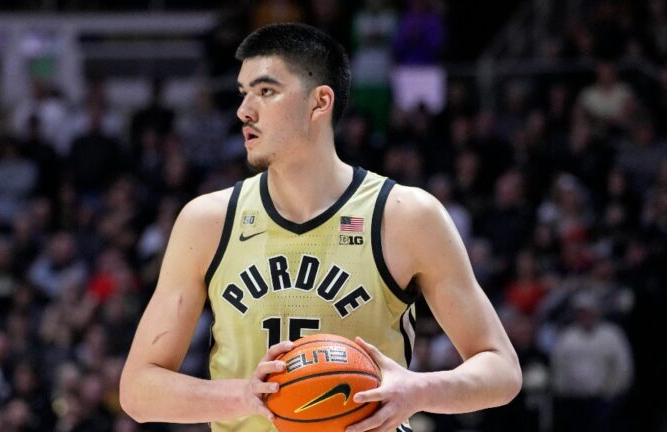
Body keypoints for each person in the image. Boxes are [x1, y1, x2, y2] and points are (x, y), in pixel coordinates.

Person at [119, 23, 521, 432]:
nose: (244, 110)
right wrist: (246, 397)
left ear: (319, 102)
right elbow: (138, 390)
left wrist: (418, 390)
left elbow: (501, 369)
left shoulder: (405, 216)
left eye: (266, 91)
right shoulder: (207, 221)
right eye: (244, 94)